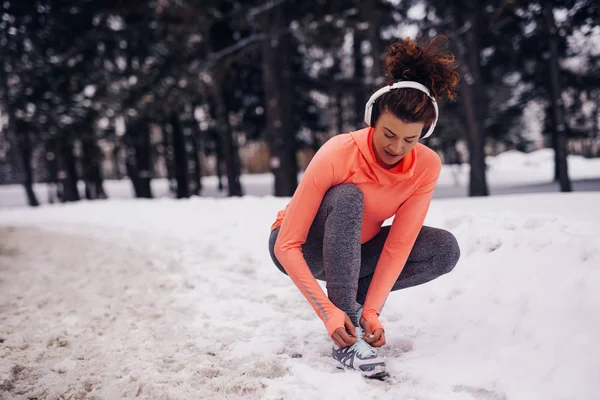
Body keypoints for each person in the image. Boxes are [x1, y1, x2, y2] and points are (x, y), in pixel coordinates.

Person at [268, 35, 461, 376]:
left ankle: (355, 314)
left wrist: (372, 310)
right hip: (304, 245)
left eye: (410, 139)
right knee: (348, 195)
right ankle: (345, 337)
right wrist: (329, 312)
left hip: (358, 254)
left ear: (423, 134)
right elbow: (287, 244)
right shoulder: (338, 152)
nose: (397, 147)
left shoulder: (426, 166)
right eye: (388, 134)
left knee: (444, 249)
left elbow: (398, 246)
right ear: (372, 117)